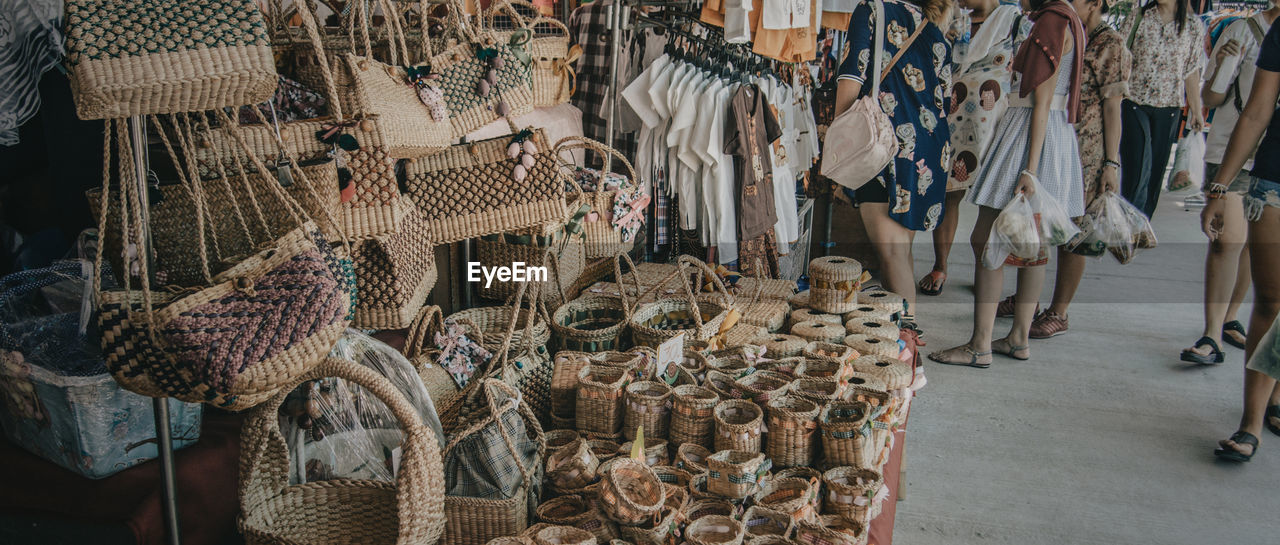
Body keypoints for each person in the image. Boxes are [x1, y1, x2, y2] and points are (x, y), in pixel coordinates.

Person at [929, 0, 1084, 367]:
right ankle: (1017, 337)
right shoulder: (1069, 18)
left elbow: (1041, 99)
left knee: (987, 240)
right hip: (1053, 135)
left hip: (1029, 131)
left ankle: (979, 345)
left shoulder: (1051, 19)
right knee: (1034, 246)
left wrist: (1029, 170)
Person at [834, 0, 954, 332]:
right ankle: (902, 333)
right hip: (929, 148)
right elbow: (943, 97)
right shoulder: (935, 32)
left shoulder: (872, 11)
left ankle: (906, 338)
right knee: (900, 249)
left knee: (892, 254)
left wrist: (839, 146)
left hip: (884, 145)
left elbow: (850, 79)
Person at [1181, 1, 1279, 364]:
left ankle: (1229, 317)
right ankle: (1211, 333)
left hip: (1271, 160)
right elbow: (1211, 98)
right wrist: (1222, 65)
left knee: (1254, 248)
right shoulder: (1242, 31)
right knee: (1227, 243)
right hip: (1231, 152)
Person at [1028, 0, 1130, 339]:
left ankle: (1059, 310)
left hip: (1087, 149)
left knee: (1075, 233)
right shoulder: (1065, 28)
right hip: (1054, 141)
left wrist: (1111, 163)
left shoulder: (1108, 42)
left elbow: (1113, 107)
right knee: (1039, 223)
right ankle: (1027, 298)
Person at [919, 0, 1031, 296]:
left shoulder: (1013, 22)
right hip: (953, 118)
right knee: (948, 194)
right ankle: (940, 265)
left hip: (995, 125)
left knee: (991, 204)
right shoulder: (953, 21)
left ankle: (988, 271)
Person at [1208, 22, 1280, 463]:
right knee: (1271, 301)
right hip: (1274, 179)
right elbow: (1257, 111)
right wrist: (1220, 188)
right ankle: (1251, 420)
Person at [1119, 0, 1206, 219]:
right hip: (1134, 101)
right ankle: (1129, 219)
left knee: (1156, 170)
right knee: (1137, 164)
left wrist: (1196, 110)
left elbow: (1191, 71)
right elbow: (1119, 54)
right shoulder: (1139, 16)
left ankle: (1143, 222)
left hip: (1169, 108)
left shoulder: (1193, 25)